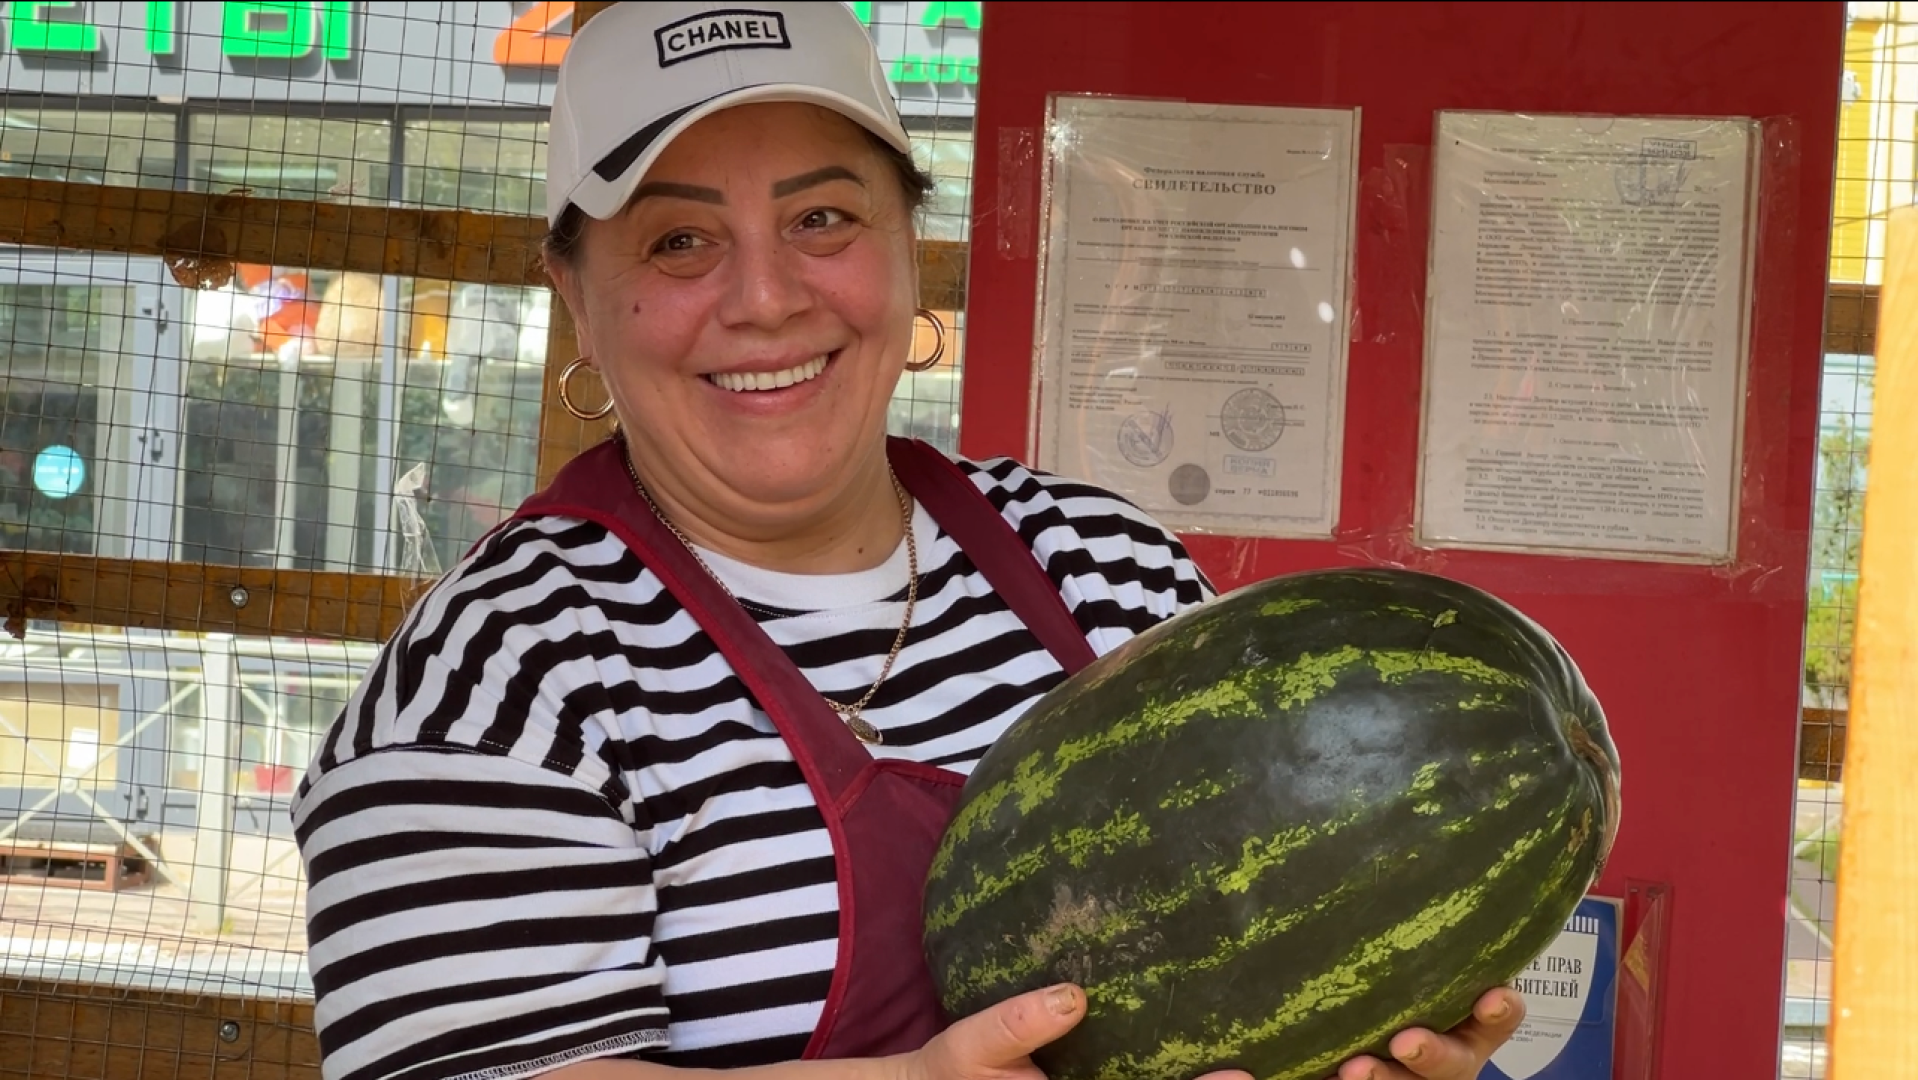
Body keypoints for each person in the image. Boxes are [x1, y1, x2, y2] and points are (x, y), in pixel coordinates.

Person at [290, 4, 1527, 1080]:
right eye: (678, 239)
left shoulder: (1102, 565)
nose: (766, 297)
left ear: (908, 253)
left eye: (824, 217)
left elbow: (1261, 942)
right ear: (576, 295)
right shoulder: (501, 675)